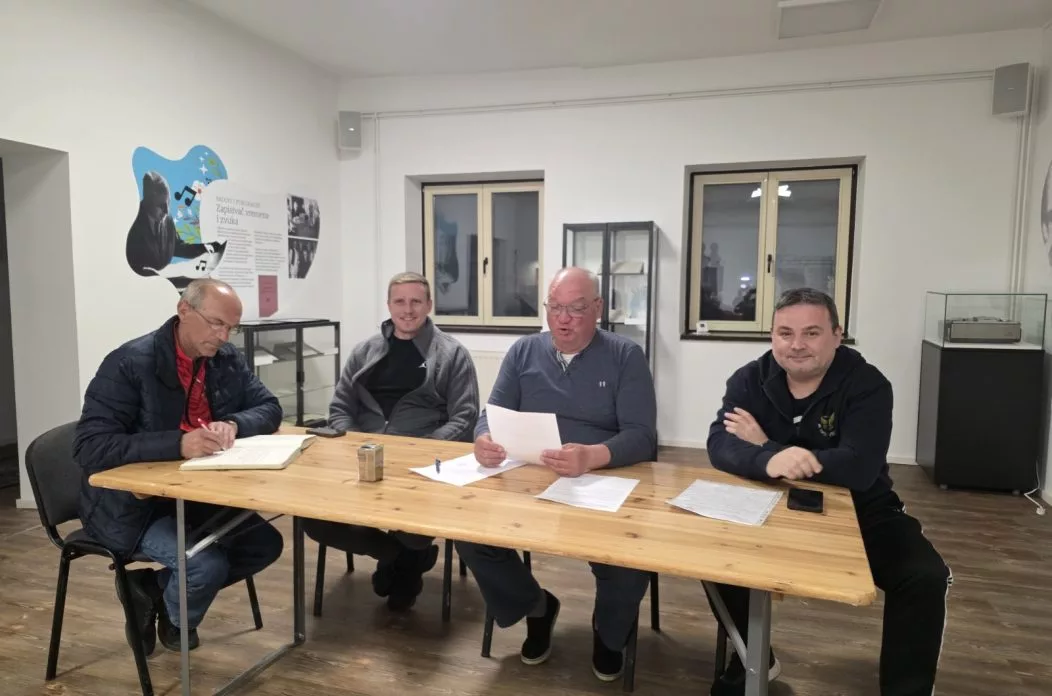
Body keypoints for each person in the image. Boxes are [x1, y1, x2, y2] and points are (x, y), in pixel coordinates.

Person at [705, 287, 951, 696]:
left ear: (837, 335)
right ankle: (752, 657)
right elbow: (719, 444)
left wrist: (768, 448)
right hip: (768, 506)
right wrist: (772, 462)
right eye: (785, 333)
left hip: (861, 509)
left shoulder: (868, 385)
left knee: (924, 577)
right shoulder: (749, 379)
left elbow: (858, 467)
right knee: (709, 556)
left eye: (812, 332)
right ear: (772, 336)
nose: (797, 345)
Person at [456, 267, 657, 683]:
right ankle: (537, 608)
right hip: (529, 477)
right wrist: (483, 439)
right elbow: (490, 414)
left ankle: (608, 634)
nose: (563, 319)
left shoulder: (625, 355)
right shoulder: (524, 351)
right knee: (470, 536)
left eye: (576, 309)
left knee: (628, 560)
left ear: (598, 308)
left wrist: (592, 456)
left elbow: (642, 436)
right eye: (555, 308)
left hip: (598, 480)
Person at [74, 278, 284, 656]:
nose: (223, 337)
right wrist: (178, 444)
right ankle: (178, 617)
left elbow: (270, 407)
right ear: (184, 310)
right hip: (130, 506)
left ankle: (152, 588)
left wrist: (234, 423)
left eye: (231, 328)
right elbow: (90, 447)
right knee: (205, 566)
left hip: (195, 493)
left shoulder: (223, 358)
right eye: (216, 323)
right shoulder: (128, 364)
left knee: (264, 544)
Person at [302, 272, 479, 611]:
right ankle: (398, 556)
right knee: (315, 521)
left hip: (421, 469)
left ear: (429, 305)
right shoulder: (365, 351)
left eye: (416, 302)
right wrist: (356, 445)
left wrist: (419, 452)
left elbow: (465, 417)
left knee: (414, 529)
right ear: (388, 305)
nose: (407, 310)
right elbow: (340, 408)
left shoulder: (452, 354)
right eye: (400, 301)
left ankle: (405, 562)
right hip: (362, 459)